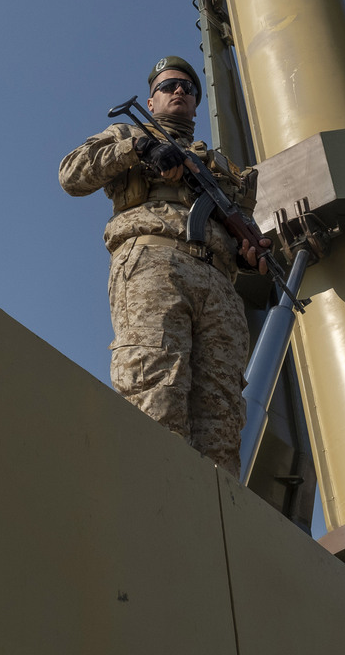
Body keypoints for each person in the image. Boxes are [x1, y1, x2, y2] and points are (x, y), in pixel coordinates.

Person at [59, 56, 266, 475]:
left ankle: (212, 508)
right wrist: (139, 149)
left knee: (223, 415)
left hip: (220, 287)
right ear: (151, 101)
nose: (180, 92)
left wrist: (251, 254)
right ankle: (154, 494)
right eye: (169, 86)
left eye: (188, 88)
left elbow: (242, 229)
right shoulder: (129, 133)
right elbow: (71, 174)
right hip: (156, 263)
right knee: (155, 390)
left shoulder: (225, 169)